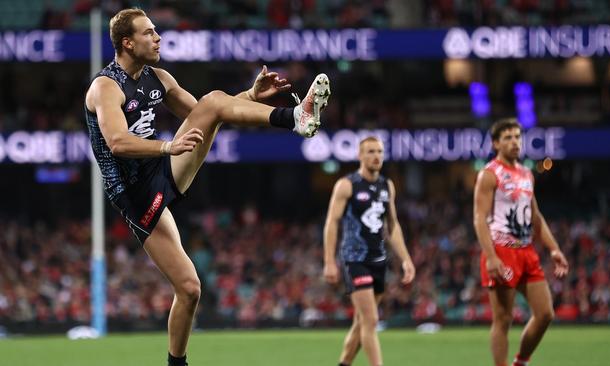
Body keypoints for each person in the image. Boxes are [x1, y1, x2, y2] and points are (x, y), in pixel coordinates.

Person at [84, 8, 330, 366]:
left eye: (157, 32)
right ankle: (177, 363)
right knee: (189, 289)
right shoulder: (105, 86)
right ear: (127, 42)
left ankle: (294, 117)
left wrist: (248, 95)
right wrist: (169, 146)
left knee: (214, 101)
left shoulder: (159, 78)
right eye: (149, 33)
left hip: (162, 169)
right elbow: (118, 142)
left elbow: (208, 113)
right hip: (135, 194)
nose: (158, 38)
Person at [473, 118, 569, 366]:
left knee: (545, 313)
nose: (515, 141)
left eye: (517, 136)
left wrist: (554, 248)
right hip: (501, 250)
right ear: (496, 143)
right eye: (508, 137)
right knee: (503, 319)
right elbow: (479, 218)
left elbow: (535, 216)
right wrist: (491, 256)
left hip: (526, 251)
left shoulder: (527, 173)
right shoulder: (489, 174)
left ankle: (521, 362)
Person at [323, 136, 415, 366]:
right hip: (355, 259)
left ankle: (343, 363)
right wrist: (329, 261)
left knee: (361, 322)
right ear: (360, 155)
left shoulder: (387, 186)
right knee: (371, 320)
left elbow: (392, 226)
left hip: (378, 260)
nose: (376, 156)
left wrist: (406, 259)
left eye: (380, 152)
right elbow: (332, 223)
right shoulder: (347, 185)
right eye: (371, 151)